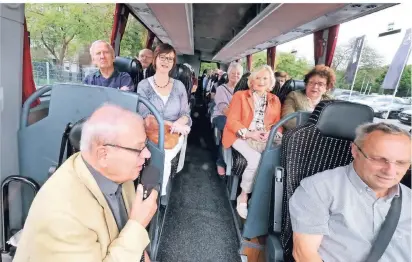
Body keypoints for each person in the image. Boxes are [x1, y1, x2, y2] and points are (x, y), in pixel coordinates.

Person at [13, 104, 158, 262]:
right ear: (103, 155)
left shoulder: (121, 175)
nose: (147, 154)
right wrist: (137, 226)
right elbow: (132, 233)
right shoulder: (63, 216)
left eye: (145, 145)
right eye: (139, 148)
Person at [290, 122, 412, 262]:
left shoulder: (409, 199)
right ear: (355, 151)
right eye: (379, 159)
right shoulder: (319, 188)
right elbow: (304, 254)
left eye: (401, 163)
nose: (390, 171)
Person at [222, 65, 282, 219]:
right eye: (257, 78)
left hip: (264, 137)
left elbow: (278, 124)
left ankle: (264, 198)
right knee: (255, 159)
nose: (261, 81)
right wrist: (250, 133)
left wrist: (271, 133)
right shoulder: (240, 96)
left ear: (271, 82)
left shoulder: (275, 100)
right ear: (251, 81)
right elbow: (232, 121)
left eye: (265, 78)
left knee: (278, 160)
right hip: (239, 135)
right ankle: (244, 196)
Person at [136, 43, 191, 196]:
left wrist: (179, 123)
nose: (166, 62)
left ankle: (155, 194)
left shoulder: (179, 86)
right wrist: (166, 123)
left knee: (163, 156)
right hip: (148, 133)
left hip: (172, 135)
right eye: (163, 57)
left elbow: (186, 114)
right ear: (155, 59)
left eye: (170, 59)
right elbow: (144, 114)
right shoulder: (143, 85)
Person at [212, 62, 243, 175]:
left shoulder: (243, 91)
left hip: (237, 119)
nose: (235, 76)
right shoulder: (221, 89)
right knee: (228, 128)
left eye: (238, 74)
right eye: (233, 73)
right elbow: (223, 107)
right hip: (221, 116)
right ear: (228, 74)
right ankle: (220, 162)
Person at [281, 65, 335, 130]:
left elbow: (335, 123)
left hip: (322, 138)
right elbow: (287, 120)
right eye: (311, 83)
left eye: (320, 84)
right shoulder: (294, 96)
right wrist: (312, 132)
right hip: (297, 135)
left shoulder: (331, 102)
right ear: (306, 84)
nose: (315, 86)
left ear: (327, 87)